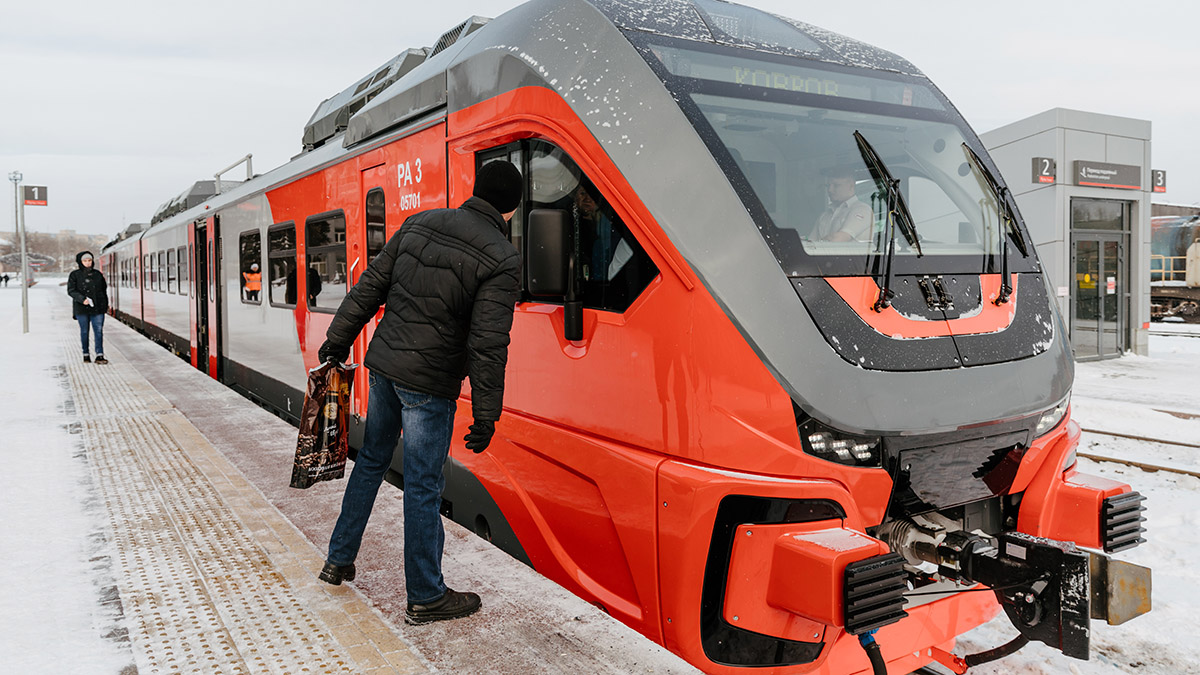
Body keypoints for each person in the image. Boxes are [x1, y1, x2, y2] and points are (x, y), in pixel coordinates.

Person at [315, 160, 522, 626]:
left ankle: (338, 559)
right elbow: (489, 343)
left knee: (371, 462)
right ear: (511, 209)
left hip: (385, 368)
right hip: (428, 385)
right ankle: (426, 595)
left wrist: (337, 340)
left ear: (475, 189)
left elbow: (370, 287)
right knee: (424, 485)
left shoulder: (419, 223)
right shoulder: (501, 257)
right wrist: (487, 414)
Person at [67, 251, 109, 364]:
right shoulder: (74, 275)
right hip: (82, 308)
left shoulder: (98, 274)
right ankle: (86, 354)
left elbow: (103, 290)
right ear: (80, 262)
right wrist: (82, 299)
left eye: (89, 260)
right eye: (85, 261)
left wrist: (105, 306)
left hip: (98, 308)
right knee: (84, 331)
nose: (87, 263)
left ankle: (99, 355)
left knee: (98, 331)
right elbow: (71, 291)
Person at [815, 167, 872, 242]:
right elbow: (809, 243)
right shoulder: (825, 215)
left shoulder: (862, 210)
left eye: (836, 185)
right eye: (828, 186)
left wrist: (818, 243)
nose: (830, 190)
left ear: (851, 186)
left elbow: (839, 239)